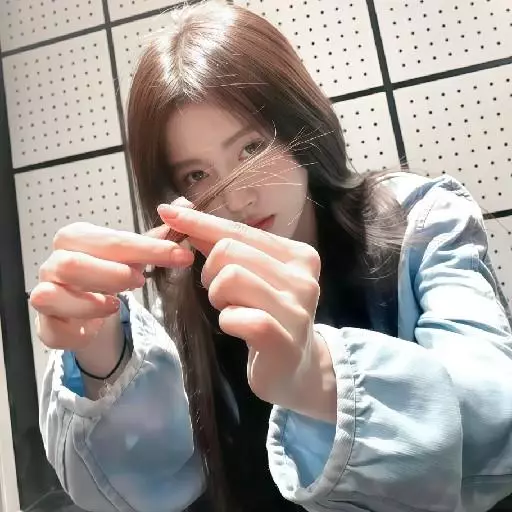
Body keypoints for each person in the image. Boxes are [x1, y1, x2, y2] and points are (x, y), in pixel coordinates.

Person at [31, 3, 512, 512]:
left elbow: (497, 422)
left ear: (299, 119)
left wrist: (319, 376)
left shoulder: (419, 220)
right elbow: (147, 491)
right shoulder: (181, 297)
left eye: (251, 148)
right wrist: (104, 361)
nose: (238, 200)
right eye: (197, 175)